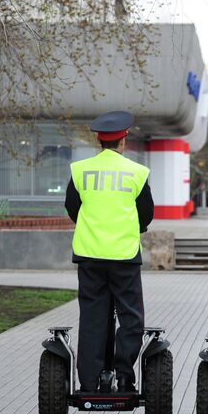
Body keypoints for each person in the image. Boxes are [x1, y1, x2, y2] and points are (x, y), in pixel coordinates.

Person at [64, 111, 154, 393]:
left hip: (90, 256)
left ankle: (90, 382)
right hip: (124, 257)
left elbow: (72, 208)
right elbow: (146, 215)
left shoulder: (80, 171)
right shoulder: (137, 173)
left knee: (92, 317)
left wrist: (92, 226)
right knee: (130, 318)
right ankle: (125, 376)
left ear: (99, 142)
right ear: (123, 141)